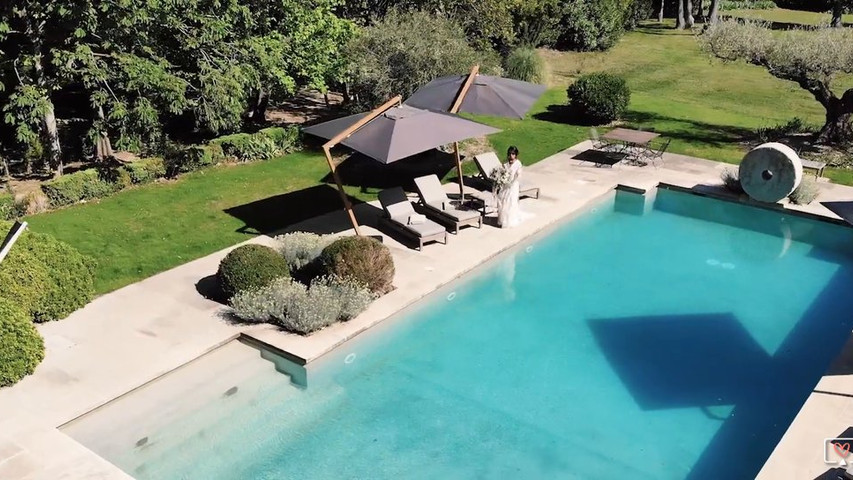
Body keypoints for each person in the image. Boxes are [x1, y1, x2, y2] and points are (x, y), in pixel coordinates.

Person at [497, 146, 524, 228]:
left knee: (511, 202)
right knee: (503, 201)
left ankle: (510, 220)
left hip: (513, 185)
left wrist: (512, 182)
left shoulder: (518, 163)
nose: (511, 156)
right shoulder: (505, 164)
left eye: (513, 154)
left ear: (515, 155)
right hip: (505, 185)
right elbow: (502, 172)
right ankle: (502, 219)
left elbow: (518, 175)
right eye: (510, 154)